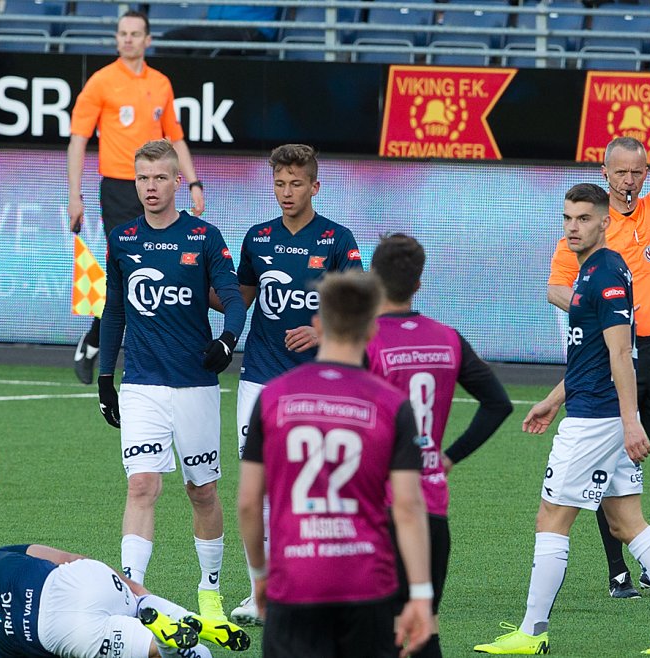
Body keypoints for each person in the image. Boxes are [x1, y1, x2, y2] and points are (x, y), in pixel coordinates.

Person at [475, 184, 650, 655]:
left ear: (604, 223)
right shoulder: (593, 272)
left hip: (596, 421)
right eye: (567, 219)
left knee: (551, 519)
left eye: (582, 218)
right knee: (627, 522)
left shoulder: (605, 275)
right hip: (595, 410)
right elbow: (592, 356)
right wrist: (556, 397)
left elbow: (621, 353)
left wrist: (629, 421)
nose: (573, 227)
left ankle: (532, 632)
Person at [546, 49, 650, 600]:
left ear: (646, 172)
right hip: (610, 351)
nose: (628, 179)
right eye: (619, 171)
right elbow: (554, 285)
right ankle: (619, 572)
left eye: (636, 171)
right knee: (610, 466)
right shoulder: (588, 225)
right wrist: (598, 307)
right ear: (604, 172)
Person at [238, 271, 433, 658]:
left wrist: (260, 575)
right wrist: (422, 594)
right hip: (367, 583)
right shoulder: (391, 404)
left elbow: (247, 502)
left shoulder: (274, 397)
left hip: (294, 581)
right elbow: (409, 507)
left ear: (317, 323)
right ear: (373, 329)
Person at [95, 140, 246, 623]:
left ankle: (210, 595)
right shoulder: (122, 238)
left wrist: (228, 340)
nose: (150, 187)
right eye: (143, 178)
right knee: (141, 486)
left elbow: (233, 296)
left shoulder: (204, 235)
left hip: (195, 386)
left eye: (160, 177)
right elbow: (114, 308)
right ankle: (129, 597)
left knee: (201, 491)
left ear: (178, 182)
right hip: (142, 385)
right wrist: (104, 377)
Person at [227, 143, 363, 625]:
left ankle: (315, 587)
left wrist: (322, 330)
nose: (287, 192)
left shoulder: (336, 239)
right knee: (257, 487)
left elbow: (357, 306)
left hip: (314, 382)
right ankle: (261, 593)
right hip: (258, 379)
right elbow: (237, 299)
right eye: (280, 183)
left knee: (313, 486)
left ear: (315, 186)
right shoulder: (256, 238)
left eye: (296, 184)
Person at [365, 234, 514, 658]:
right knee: (422, 629)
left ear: (374, 280)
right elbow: (497, 404)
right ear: (418, 283)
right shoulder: (447, 338)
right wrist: (448, 457)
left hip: (377, 508)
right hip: (430, 507)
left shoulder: (366, 340)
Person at [68, 10, 206, 385]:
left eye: (135, 34)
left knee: (163, 266)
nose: (128, 39)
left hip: (160, 185)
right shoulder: (101, 82)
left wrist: (192, 182)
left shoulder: (160, 83)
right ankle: (103, 346)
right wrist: (74, 195)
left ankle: (98, 340)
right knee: (128, 267)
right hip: (117, 187)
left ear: (148, 40)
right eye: (122, 33)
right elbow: (79, 139)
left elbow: (175, 137)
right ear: (117, 39)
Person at [0, 543, 252, 658]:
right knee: (138, 604)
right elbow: (68, 558)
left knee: (161, 650)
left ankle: (168, 642)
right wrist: (131, 585)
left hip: (68, 631)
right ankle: (182, 617)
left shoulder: (2, 649)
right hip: (84, 580)